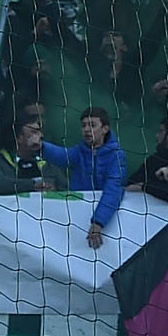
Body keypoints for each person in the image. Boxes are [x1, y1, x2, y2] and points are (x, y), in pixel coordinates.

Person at [38, 106, 127, 247]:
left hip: (105, 224)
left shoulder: (117, 155)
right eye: (84, 125)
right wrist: (41, 147)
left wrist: (98, 222)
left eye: (92, 125)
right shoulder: (80, 151)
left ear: (105, 129)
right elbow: (63, 156)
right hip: (76, 218)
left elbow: (113, 189)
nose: (86, 129)